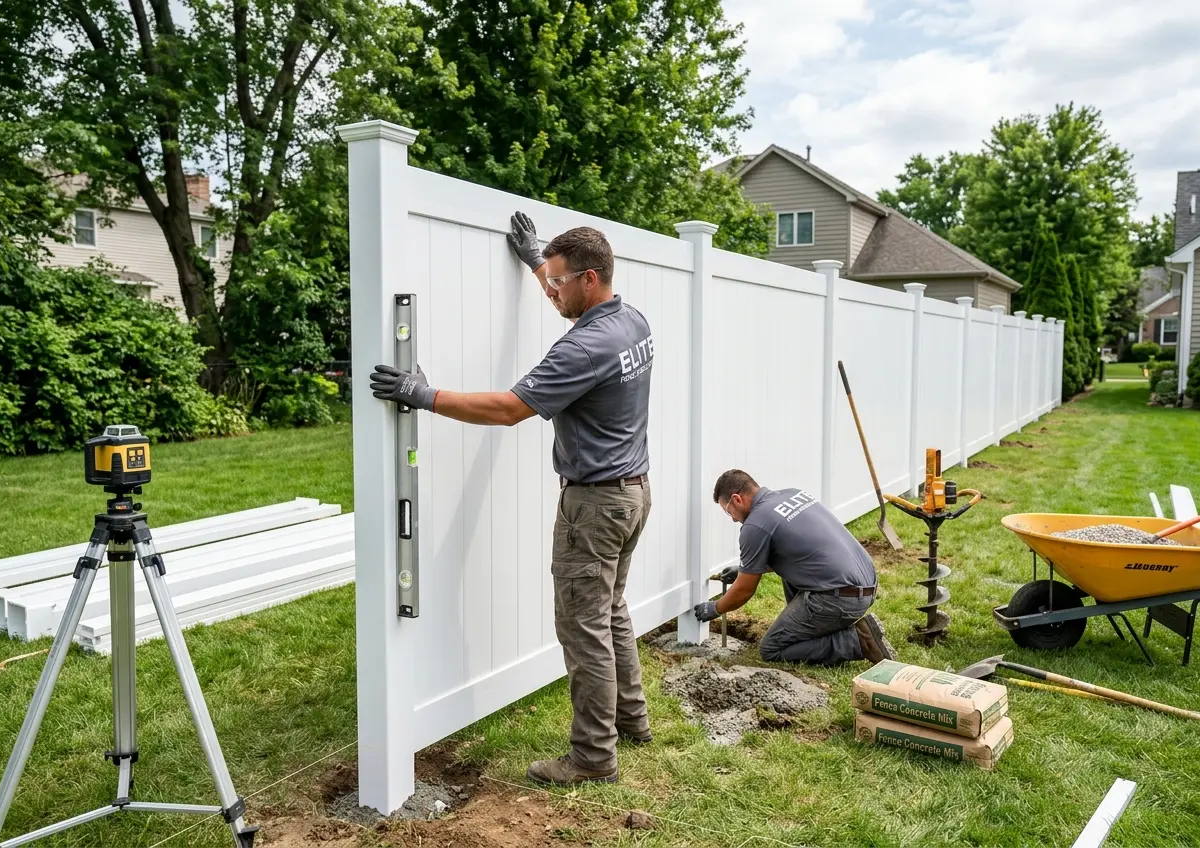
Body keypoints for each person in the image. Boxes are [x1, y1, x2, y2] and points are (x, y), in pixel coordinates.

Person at [367, 212, 655, 787]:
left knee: (583, 627)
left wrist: (423, 394)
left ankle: (594, 758)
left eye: (557, 283)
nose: (549, 292)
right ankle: (632, 720)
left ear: (590, 279)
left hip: (594, 507)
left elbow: (508, 410)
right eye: (544, 280)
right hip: (633, 492)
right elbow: (571, 294)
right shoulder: (632, 321)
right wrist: (537, 260)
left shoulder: (584, 349)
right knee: (611, 610)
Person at [693, 469, 896, 666]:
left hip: (841, 599)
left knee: (772, 648)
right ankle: (812, 628)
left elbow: (744, 591)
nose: (734, 519)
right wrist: (746, 569)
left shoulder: (754, 525)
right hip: (866, 583)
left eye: (729, 512)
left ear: (737, 499)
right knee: (788, 573)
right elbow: (799, 551)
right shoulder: (793, 494)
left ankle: (858, 641)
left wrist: (714, 608)